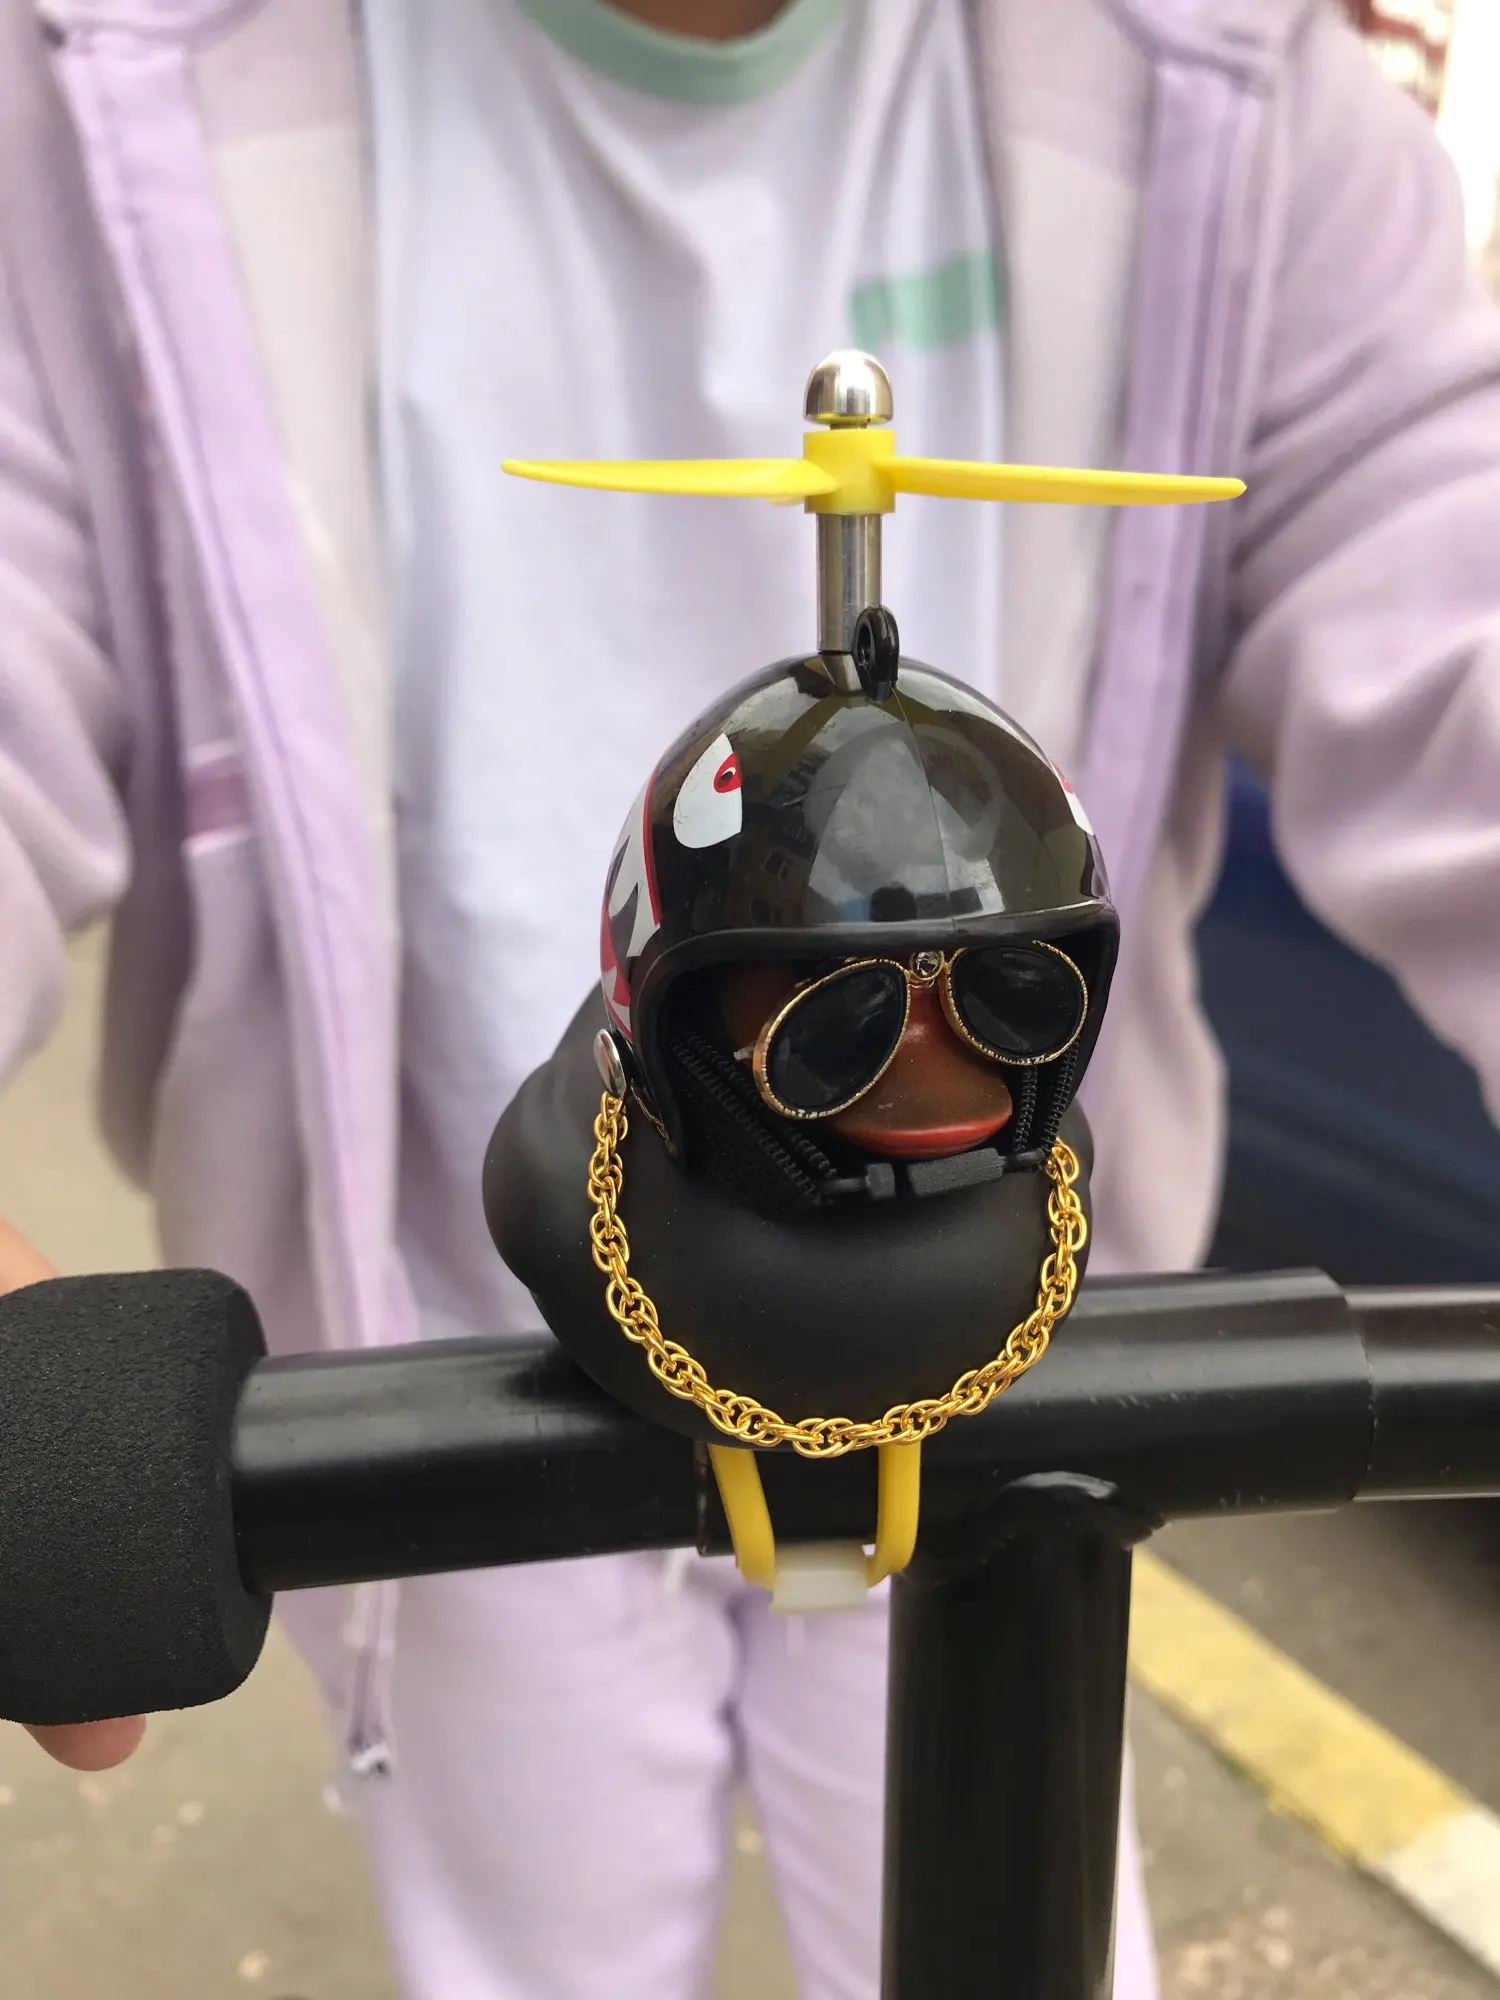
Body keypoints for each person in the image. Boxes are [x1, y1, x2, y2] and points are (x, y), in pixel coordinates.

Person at [0, 0, 1497, 1994]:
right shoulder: (74, 92)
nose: (932, 1058)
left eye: (1009, 1005)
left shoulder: (1244, 78)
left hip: (1011, 1390)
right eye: (839, 1029)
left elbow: (1449, 568)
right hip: (453, 1352)